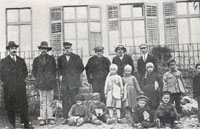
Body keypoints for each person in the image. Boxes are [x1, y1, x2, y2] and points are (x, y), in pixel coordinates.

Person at [0, 41, 34, 129]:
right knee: (9, 106)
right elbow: (1, 74)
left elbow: (25, 72)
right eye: (12, 48)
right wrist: (9, 82)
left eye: (15, 48)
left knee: (23, 105)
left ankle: (26, 123)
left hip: (20, 87)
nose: (14, 50)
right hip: (9, 87)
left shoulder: (21, 60)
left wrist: (19, 80)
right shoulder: (3, 61)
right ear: (8, 50)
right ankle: (12, 124)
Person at [57, 42, 84, 123]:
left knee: (74, 99)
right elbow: (59, 68)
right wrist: (60, 75)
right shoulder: (60, 58)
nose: (67, 50)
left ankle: (75, 116)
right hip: (65, 82)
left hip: (74, 82)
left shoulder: (76, 57)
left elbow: (81, 68)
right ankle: (65, 117)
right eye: (65, 49)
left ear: (71, 49)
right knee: (65, 100)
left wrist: (75, 74)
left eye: (68, 48)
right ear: (63, 49)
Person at [32, 41, 57, 125]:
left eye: (45, 49)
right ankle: (42, 118)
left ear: (47, 50)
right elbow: (34, 72)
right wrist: (39, 79)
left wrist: (51, 78)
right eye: (42, 49)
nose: (44, 50)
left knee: (50, 101)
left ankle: (50, 118)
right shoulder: (36, 60)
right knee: (42, 102)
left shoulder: (52, 59)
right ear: (40, 49)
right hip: (41, 83)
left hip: (50, 83)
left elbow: (54, 70)